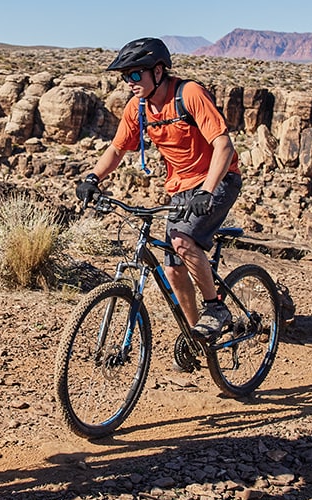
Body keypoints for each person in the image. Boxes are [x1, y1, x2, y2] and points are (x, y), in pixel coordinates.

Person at [76, 37, 242, 345]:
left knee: (181, 241)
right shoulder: (137, 108)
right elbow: (116, 149)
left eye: (135, 75)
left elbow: (223, 145)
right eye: (125, 77)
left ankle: (216, 308)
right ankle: (198, 338)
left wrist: (207, 191)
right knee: (173, 268)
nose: (129, 82)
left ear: (158, 71)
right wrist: (92, 177)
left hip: (218, 180)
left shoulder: (188, 94)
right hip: (181, 189)